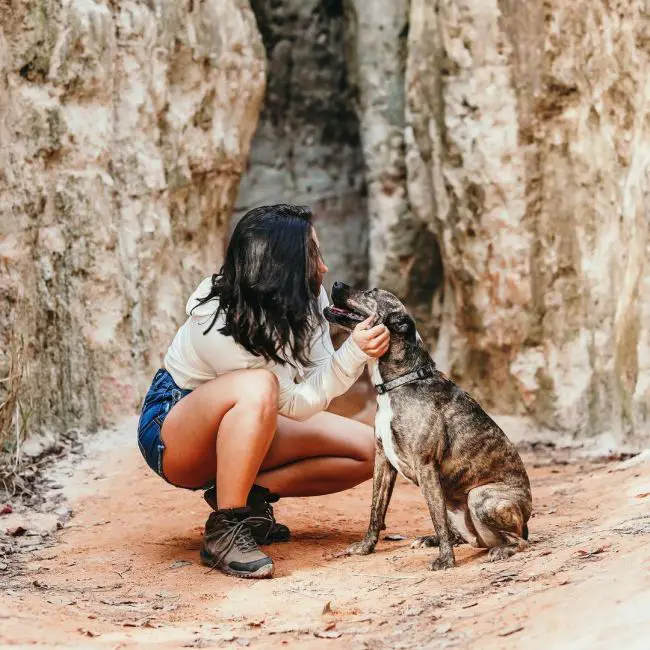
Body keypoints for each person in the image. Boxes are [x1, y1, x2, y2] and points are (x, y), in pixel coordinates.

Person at [137, 204, 389, 579]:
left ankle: (248, 495)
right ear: (282, 269)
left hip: (254, 416)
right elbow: (297, 404)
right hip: (175, 432)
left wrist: (353, 351)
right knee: (258, 385)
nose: (324, 266)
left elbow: (317, 376)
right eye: (313, 255)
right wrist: (352, 352)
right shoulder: (216, 323)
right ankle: (227, 526)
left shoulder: (306, 296)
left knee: (374, 451)